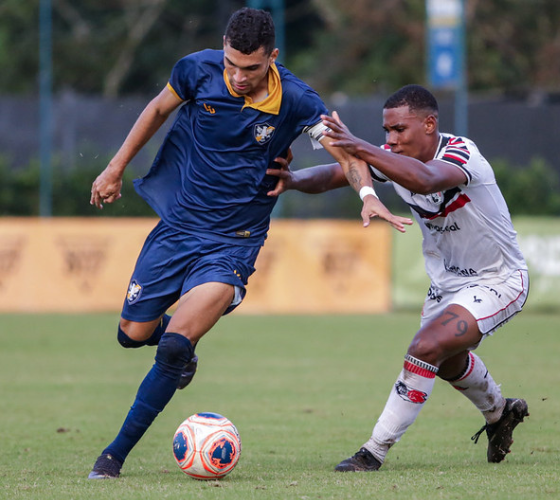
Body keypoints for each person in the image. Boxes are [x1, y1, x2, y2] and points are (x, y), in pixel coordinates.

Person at [86, 7, 411, 479]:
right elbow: (157, 109)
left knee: (174, 346)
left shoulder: (297, 99)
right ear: (222, 48)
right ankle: (181, 357)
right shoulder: (196, 69)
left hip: (234, 244)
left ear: (273, 58)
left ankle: (112, 458)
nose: (238, 76)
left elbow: (346, 153)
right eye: (231, 64)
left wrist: (366, 194)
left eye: (251, 68)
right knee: (131, 335)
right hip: (177, 228)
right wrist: (115, 167)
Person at [266, 84, 530, 470]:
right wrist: (293, 180)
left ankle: (372, 452)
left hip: (499, 278)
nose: (390, 139)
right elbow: (335, 173)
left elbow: (423, 179)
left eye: (399, 130)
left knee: (425, 347)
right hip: (447, 283)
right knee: (446, 361)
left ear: (429, 124)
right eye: (386, 131)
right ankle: (500, 413)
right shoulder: (392, 156)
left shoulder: (462, 154)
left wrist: (357, 144)